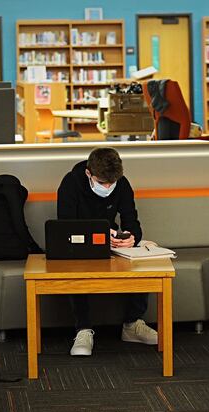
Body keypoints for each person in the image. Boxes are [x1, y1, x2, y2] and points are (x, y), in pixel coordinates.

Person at [57, 147, 158, 356]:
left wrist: (131, 237)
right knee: (77, 266)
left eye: (112, 183)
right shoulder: (70, 183)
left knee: (139, 260)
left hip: (112, 244)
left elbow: (132, 222)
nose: (108, 187)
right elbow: (65, 226)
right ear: (89, 174)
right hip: (78, 245)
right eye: (103, 183)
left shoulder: (121, 184)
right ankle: (83, 329)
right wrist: (101, 236)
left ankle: (132, 324)